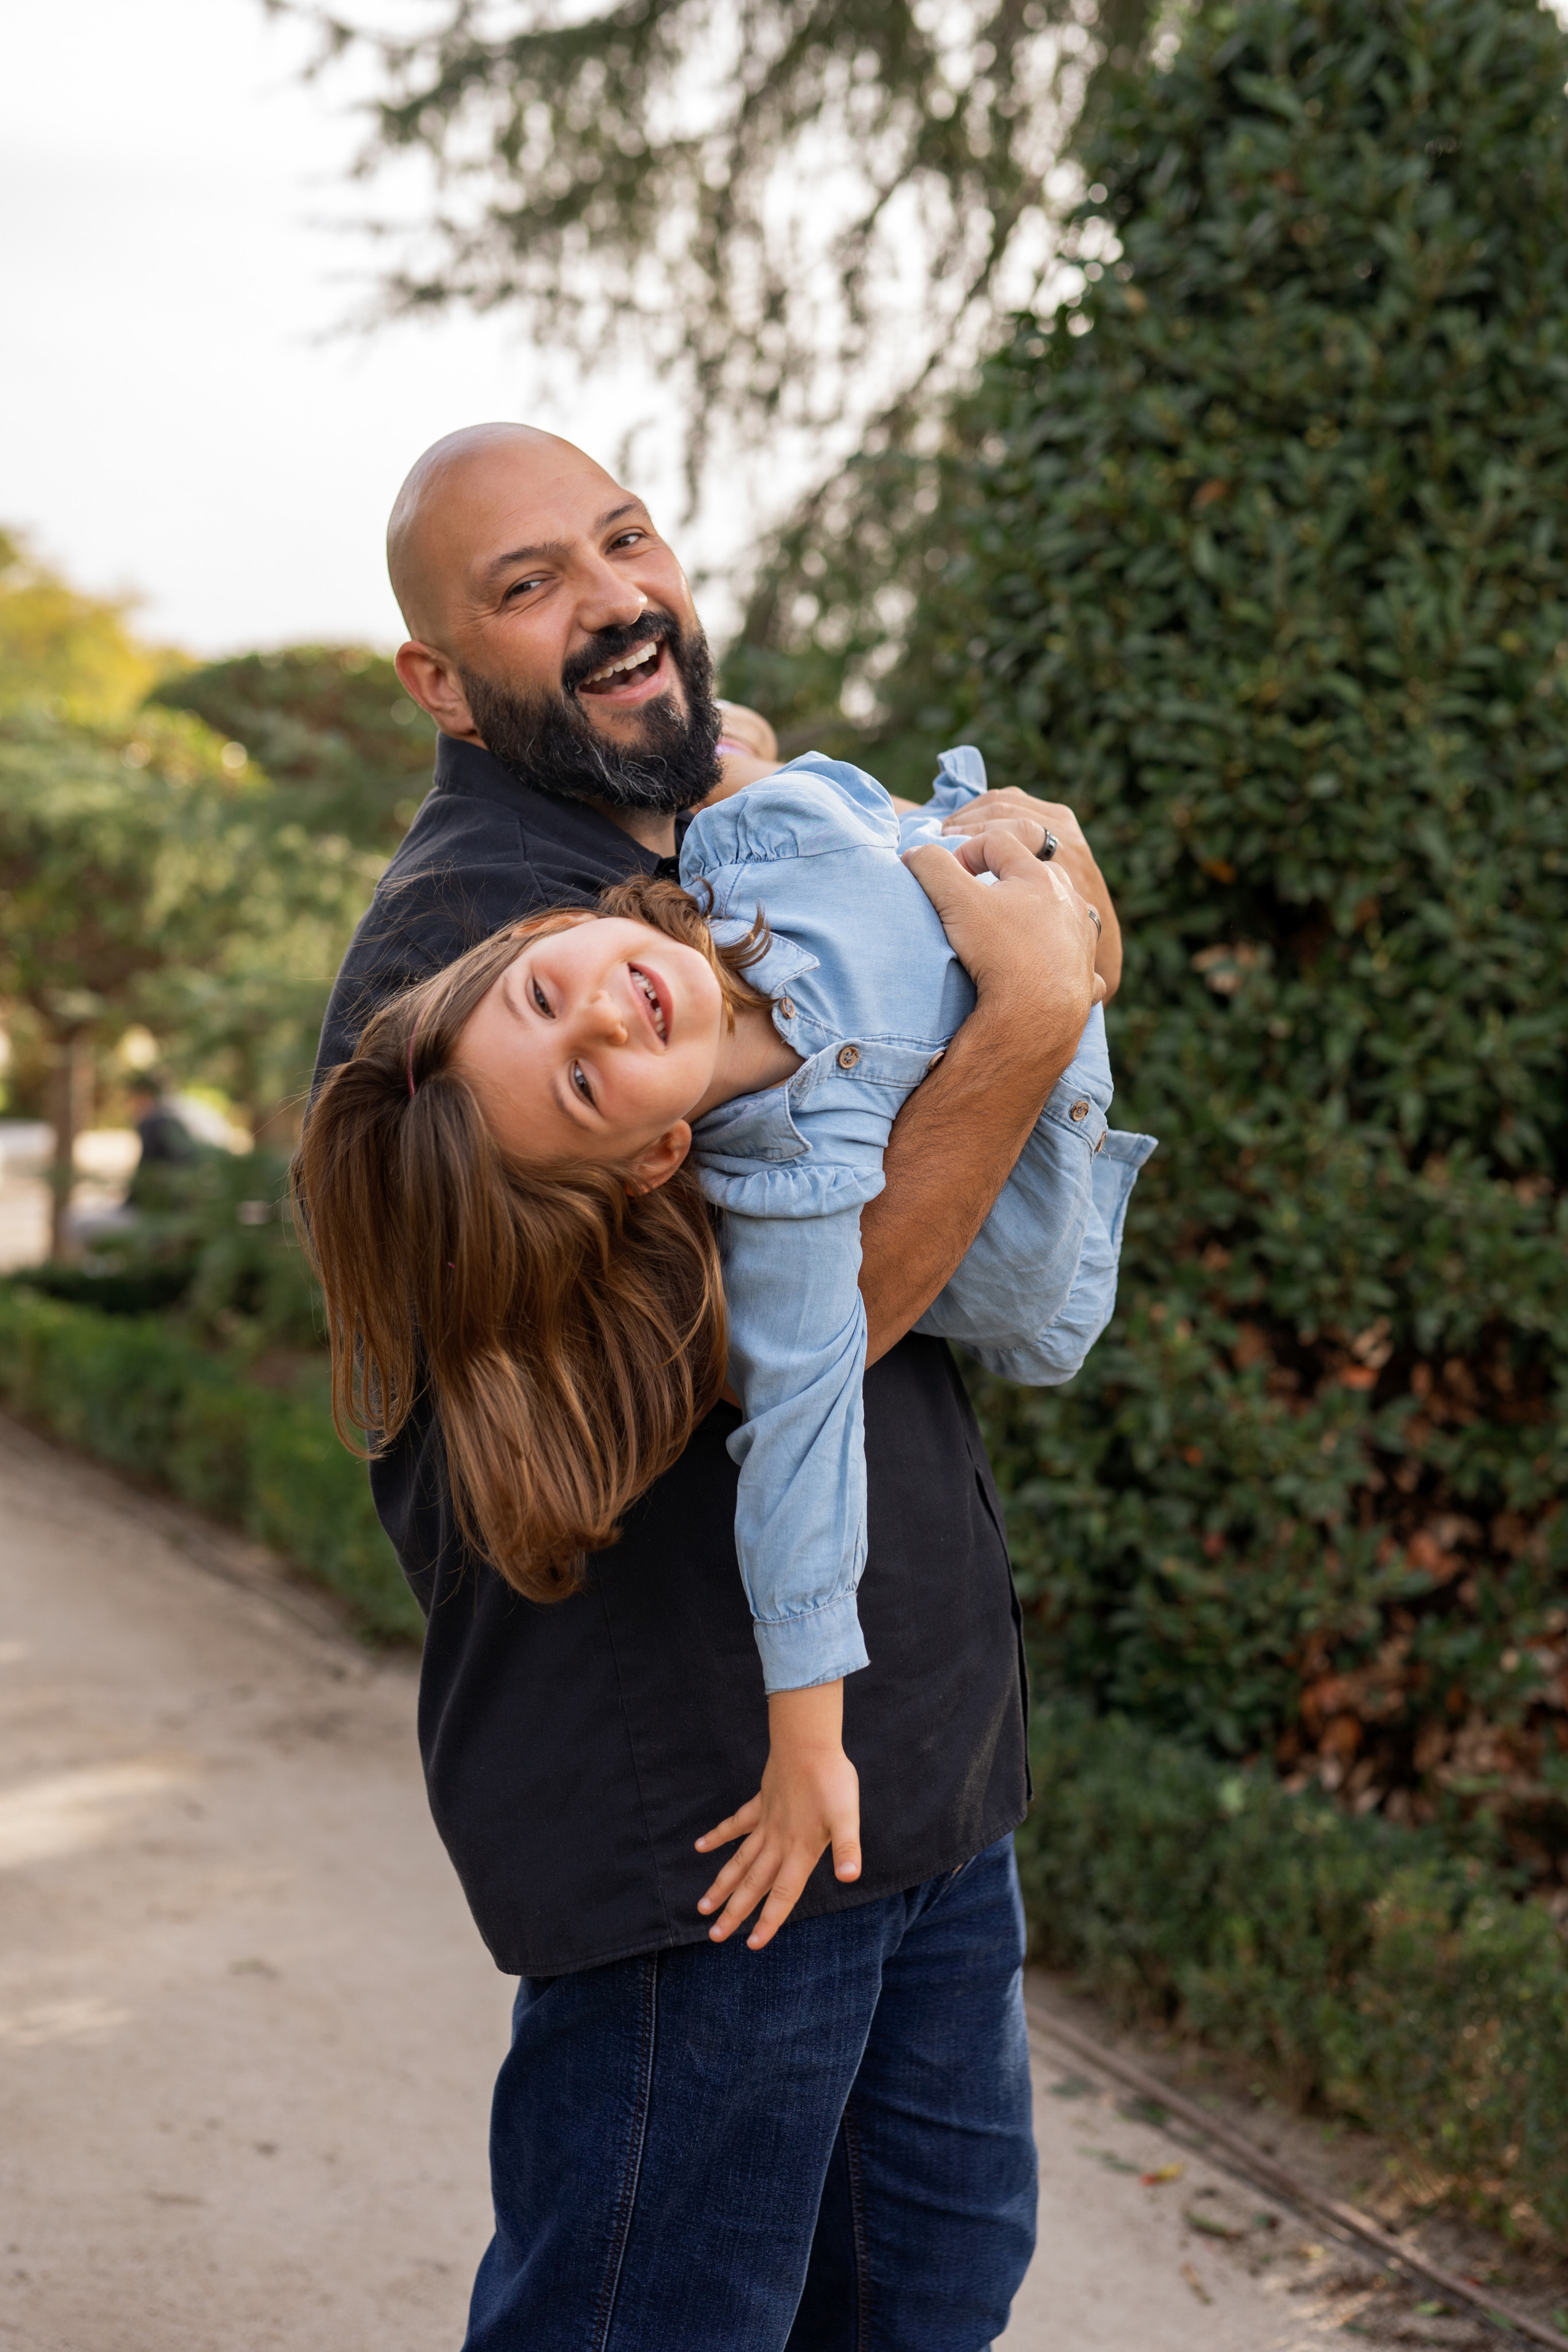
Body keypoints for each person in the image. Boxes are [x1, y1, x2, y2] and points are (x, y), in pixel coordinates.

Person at [312, 421, 1132, 2350]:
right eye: (530, 587)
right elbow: (748, 1366)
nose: (616, 603)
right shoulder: (471, 962)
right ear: (441, 680)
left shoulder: (690, 846)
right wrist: (1027, 1022)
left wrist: (1027, 908)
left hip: (916, 1773)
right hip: (713, 1833)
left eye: (627, 541)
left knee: (924, 2302)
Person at [301, 750, 1153, 1955]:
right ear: (658, 1160)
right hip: (1047, 1202)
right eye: (585, 1082)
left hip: (998, 896)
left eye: (545, 996)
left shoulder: (757, 840)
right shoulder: (792, 1190)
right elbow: (800, 1457)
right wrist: (809, 1752)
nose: (602, 1017)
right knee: (1033, 1310)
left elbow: (865, 806)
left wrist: (1017, 870)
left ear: (547, 930)